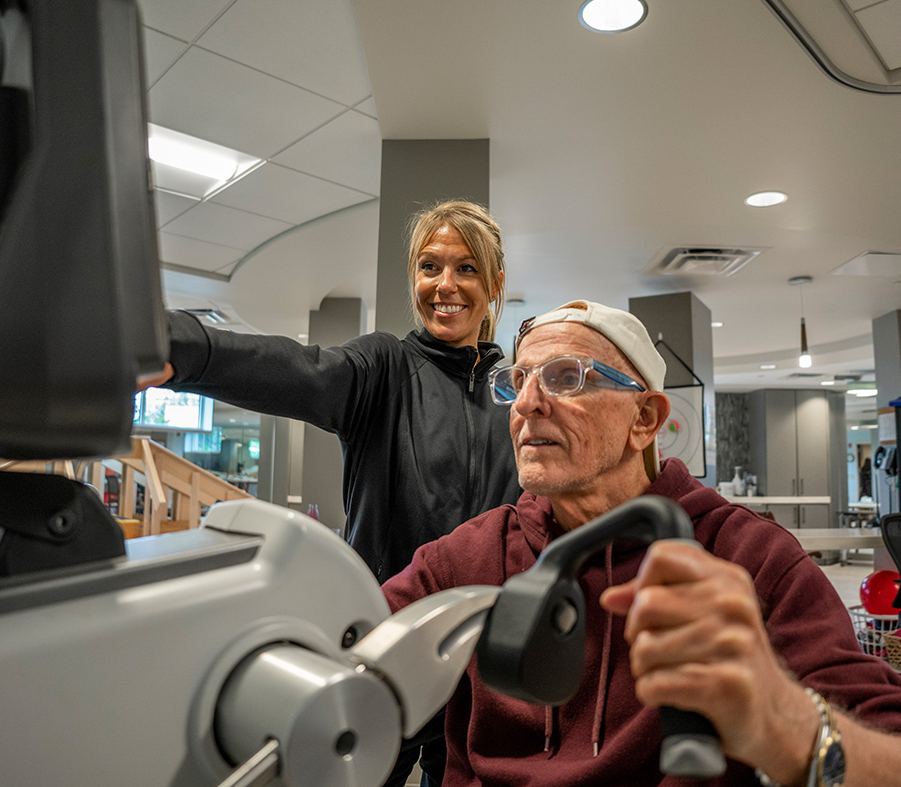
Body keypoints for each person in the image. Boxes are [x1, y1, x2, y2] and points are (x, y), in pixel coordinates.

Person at [382, 299, 901, 787]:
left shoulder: (749, 558)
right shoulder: (473, 554)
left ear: (645, 419)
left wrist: (783, 721)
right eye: (518, 381)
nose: (526, 404)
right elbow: (351, 647)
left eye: (566, 378)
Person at [143, 199, 521, 787]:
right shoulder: (386, 368)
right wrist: (181, 346)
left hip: (480, 665)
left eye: (467, 268)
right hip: (384, 646)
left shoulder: (516, 398)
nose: (445, 285)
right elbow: (299, 369)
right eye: (430, 267)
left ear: (495, 282)